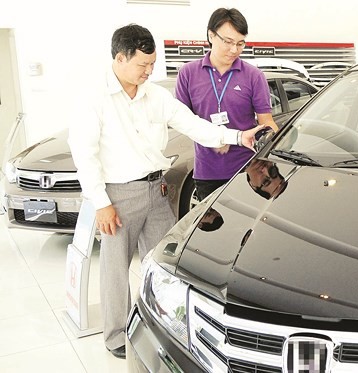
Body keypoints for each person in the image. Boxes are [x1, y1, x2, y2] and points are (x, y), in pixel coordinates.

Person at [67, 23, 263, 359]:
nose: (148, 71)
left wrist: (236, 137)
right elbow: (84, 154)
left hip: (157, 191)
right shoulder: (94, 100)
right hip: (118, 195)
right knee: (114, 269)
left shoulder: (155, 95)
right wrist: (101, 203)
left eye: (152, 65)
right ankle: (116, 336)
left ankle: (164, 325)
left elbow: (192, 124)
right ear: (119, 58)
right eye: (142, 65)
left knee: (164, 264)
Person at [175, 7, 279, 202]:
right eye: (228, 42)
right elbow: (183, 122)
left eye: (240, 44)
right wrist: (216, 138)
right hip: (206, 172)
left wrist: (277, 144)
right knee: (212, 231)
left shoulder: (254, 76)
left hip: (247, 170)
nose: (234, 50)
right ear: (211, 35)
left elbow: (266, 122)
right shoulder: (188, 74)